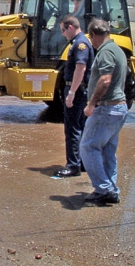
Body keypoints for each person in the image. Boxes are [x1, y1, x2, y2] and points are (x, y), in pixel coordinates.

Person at [79, 19, 128, 206]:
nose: (91, 42)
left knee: (88, 147)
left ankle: (104, 189)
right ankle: (110, 189)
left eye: (90, 38)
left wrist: (92, 104)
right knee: (107, 151)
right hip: (118, 108)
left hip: (107, 108)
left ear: (93, 35)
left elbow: (105, 80)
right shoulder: (117, 50)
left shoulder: (106, 52)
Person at [54, 15, 94, 178]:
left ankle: (73, 165)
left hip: (76, 91)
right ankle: (82, 162)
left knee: (72, 129)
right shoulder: (80, 42)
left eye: (63, 30)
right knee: (81, 127)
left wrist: (71, 93)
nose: (63, 34)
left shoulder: (80, 44)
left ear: (70, 27)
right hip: (80, 91)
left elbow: (80, 68)